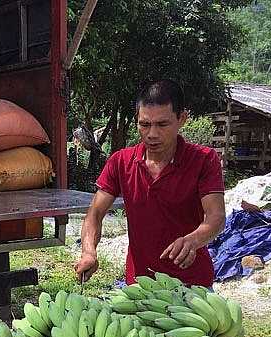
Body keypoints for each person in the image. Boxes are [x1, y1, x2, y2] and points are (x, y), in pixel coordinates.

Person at [75, 79, 226, 288]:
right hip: (139, 285)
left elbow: (216, 217)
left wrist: (193, 240)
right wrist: (89, 251)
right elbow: (95, 214)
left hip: (192, 284)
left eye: (162, 124)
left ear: (182, 118)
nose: (152, 134)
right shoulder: (121, 162)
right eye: (144, 124)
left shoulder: (204, 160)